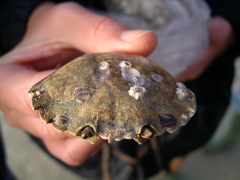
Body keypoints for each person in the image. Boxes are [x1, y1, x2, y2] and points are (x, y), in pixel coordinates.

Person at [0, 0, 239, 179]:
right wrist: (26, 15)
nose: (114, 135)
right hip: (94, 164)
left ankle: (173, 165)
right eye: (87, 132)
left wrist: (232, 19)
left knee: (182, 145)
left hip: (201, 106)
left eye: (144, 131)